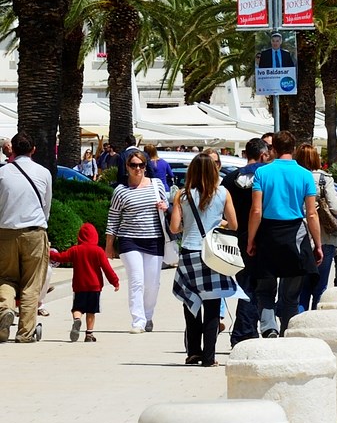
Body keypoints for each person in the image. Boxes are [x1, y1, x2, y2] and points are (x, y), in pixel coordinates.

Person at [244, 132, 323, 338]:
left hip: (268, 234)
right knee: (290, 295)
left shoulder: (263, 173)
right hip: (295, 235)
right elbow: (312, 213)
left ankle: (269, 327)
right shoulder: (305, 175)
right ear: (294, 149)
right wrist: (318, 244)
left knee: (265, 289)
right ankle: (287, 331)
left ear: (273, 149)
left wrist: (251, 239)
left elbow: (256, 210)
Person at [168, 151, 237, 365]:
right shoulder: (223, 193)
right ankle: (209, 357)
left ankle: (193, 352)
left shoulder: (183, 195)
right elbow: (234, 224)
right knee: (213, 304)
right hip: (212, 254)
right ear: (214, 170)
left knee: (191, 302)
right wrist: (219, 223)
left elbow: (174, 227)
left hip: (189, 252)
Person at [106, 150, 170, 333]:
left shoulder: (156, 185)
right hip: (129, 240)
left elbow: (167, 208)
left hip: (154, 239)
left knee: (152, 282)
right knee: (137, 280)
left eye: (141, 165)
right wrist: (109, 245)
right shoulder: (120, 191)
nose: (138, 169)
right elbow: (113, 219)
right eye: (134, 165)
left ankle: (148, 315)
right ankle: (138, 320)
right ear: (127, 167)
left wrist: (165, 207)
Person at [0, 133, 53, 342]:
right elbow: (46, 205)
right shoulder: (43, 173)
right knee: (32, 282)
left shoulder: (2, 173)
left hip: (5, 231)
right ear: (33, 150)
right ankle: (25, 332)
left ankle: (5, 309)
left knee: (5, 277)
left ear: (12, 149)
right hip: (34, 231)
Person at [225, 137, 269, 345]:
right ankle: (244, 332)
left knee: (246, 285)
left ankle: (247, 330)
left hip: (237, 238)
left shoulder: (230, 178)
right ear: (263, 155)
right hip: (262, 237)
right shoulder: (267, 176)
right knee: (259, 287)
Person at [297, 144, 337, 311]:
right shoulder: (323, 179)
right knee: (320, 287)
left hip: (299, 235)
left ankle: (299, 320)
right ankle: (315, 322)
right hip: (324, 236)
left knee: (302, 289)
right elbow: (336, 208)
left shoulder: (294, 176)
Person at [48, 220, 118, 342]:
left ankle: (77, 320)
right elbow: (107, 268)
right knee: (91, 311)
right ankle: (89, 334)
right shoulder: (98, 251)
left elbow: (61, 257)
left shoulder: (75, 250)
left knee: (77, 308)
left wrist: (48, 252)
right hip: (94, 287)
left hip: (79, 286)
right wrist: (115, 281)